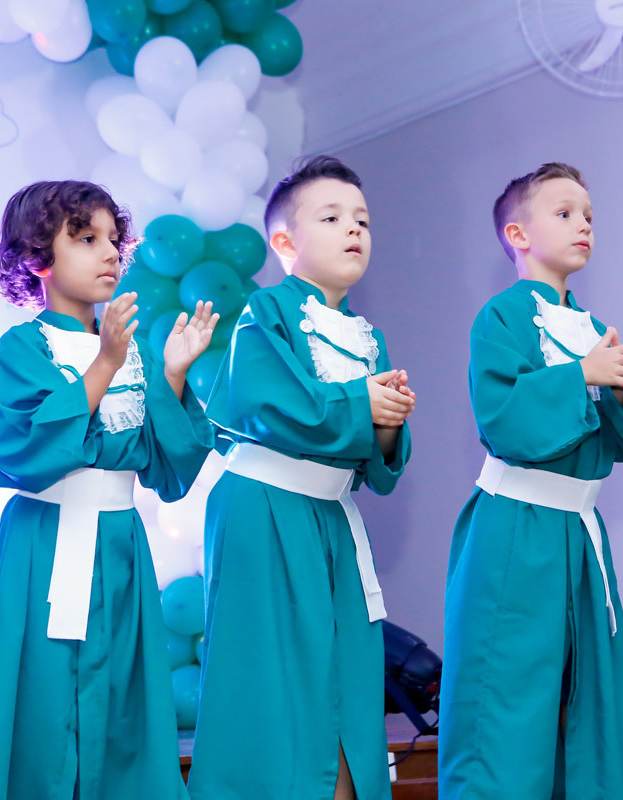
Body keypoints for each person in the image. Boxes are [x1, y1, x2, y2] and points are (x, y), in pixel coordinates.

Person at [0, 180, 216, 800]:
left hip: (120, 546)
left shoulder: (132, 350)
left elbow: (165, 464)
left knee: (121, 696)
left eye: (114, 239)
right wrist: (104, 363)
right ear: (37, 257)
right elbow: (24, 451)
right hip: (46, 543)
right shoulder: (24, 346)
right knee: (41, 696)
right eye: (86, 239)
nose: (110, 252)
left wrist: (172, 373)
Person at [187, 155, 416, 800]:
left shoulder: (367, 336)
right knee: (273, 682)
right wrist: (363, 405)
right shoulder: (267, 311)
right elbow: (272, 402)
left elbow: (376, 464)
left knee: (345, 675)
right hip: (264, 510)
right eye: (332, 217)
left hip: (329, 519)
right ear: (286, 244)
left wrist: (389, 422)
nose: (354, 229)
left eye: (362, 219)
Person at [439, 162, 623, 800]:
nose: (583, 224)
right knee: (506, 701)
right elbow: (503, 417)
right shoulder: (500, 317)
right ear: (518, 234)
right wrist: (583, 375)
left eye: (588, 215)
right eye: (564, 213)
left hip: (581, 533)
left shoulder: (593, 327)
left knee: (595, 699)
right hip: (517, 525)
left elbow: (616, 446)